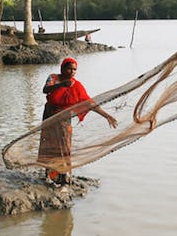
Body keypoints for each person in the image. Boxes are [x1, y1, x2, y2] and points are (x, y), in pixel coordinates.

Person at [38, 57, 117, 185]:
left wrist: (106, 115)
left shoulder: (77, 86)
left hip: (64, 119)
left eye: (74, 69)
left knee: (64, 146)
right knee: (49, 145)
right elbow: (45, 89)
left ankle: (64, 177)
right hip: (49, 116)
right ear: (62, 69)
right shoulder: (53, 78)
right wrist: (61, 85)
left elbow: (89, 103)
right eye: (69, 69)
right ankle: (49, 174)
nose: (72, 72)